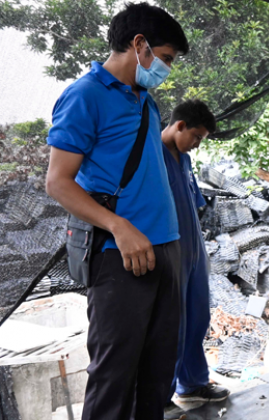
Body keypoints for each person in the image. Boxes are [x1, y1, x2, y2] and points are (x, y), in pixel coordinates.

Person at [45, 3, 189, 419]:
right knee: (114, 376)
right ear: (138, 44)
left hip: (166, 247)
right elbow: (58, 182)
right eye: (164, 59)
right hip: (119, 254)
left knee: (158, 372)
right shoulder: (84, 95)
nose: (166, 69)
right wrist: (117, 226)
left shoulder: (145, 100)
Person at [160, 100, 229, 419]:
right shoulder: (152, 156)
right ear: (179, 126)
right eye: (197, 137)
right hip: (168, 250)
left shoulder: (184, 159)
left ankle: (194, 384)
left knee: (197, 318)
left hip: (194, 250)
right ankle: (160, 397)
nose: (198, 144)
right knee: (170, 324)